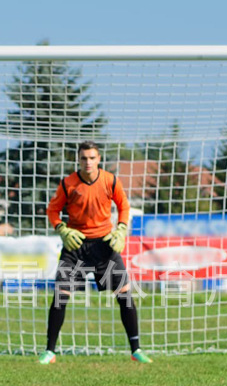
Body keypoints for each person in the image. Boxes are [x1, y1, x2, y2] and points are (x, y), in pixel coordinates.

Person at [40, 141, 152, 364]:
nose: (88, 162)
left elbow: (124, 206)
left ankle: (136, 350)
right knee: (60, 296)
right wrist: (62, 229)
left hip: (104, 245)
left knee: (125, 296)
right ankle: (50, 352)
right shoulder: (68, 184)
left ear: (99, 159)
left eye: (92, 158)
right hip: (75, 247)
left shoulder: (110, 181)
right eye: (84, 158)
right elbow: (52, 209)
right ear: (78, 160)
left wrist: (121, 228)